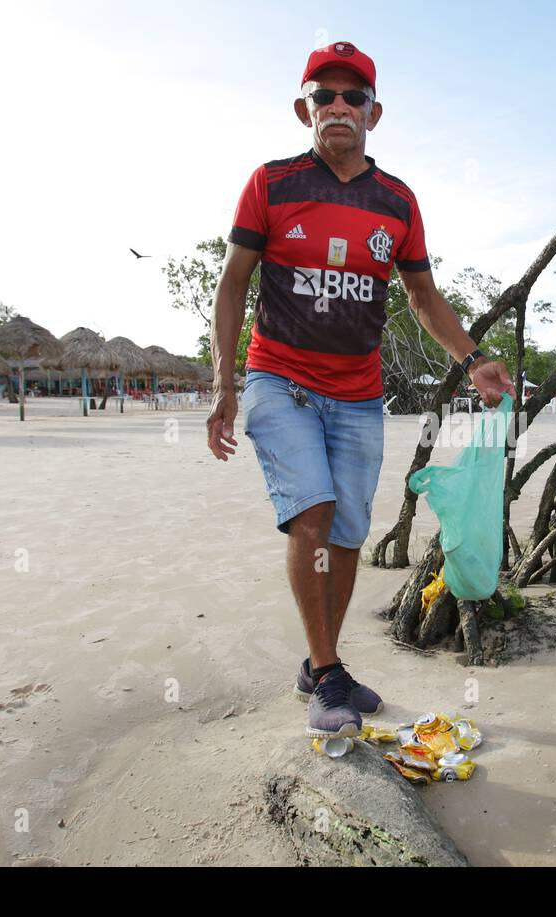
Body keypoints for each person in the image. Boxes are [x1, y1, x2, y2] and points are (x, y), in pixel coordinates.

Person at [206, 41, 515, 739]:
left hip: (357, 394)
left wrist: (475, 360)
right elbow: (232, 285)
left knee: (347, 532)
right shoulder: (271, 184)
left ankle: (323, 668)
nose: (338, 107)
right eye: (325, 96)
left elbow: (423, 295)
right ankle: (327, 670)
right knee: (311, 511)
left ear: (375, 113)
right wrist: (224, 385)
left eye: (353, 97)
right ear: (303, 110)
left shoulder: (397, 201)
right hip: (278, 381)